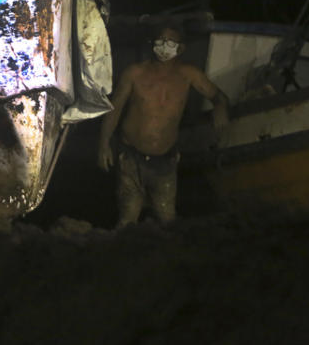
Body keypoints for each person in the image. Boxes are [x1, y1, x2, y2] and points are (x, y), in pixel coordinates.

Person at [97, 23, 228, 227]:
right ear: (152, 44)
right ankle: (121, 253)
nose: (164, 46)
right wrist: (103, 144)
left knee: (167, 217)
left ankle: (163, 255)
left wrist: (220, 108)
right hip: (131, 156)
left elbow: (218, 96)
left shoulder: (189, 74)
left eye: (170, 42)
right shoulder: (134, 73)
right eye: (160, 41)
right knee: (128, 217)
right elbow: (115, 108)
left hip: (165, 160)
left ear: (181, 48)